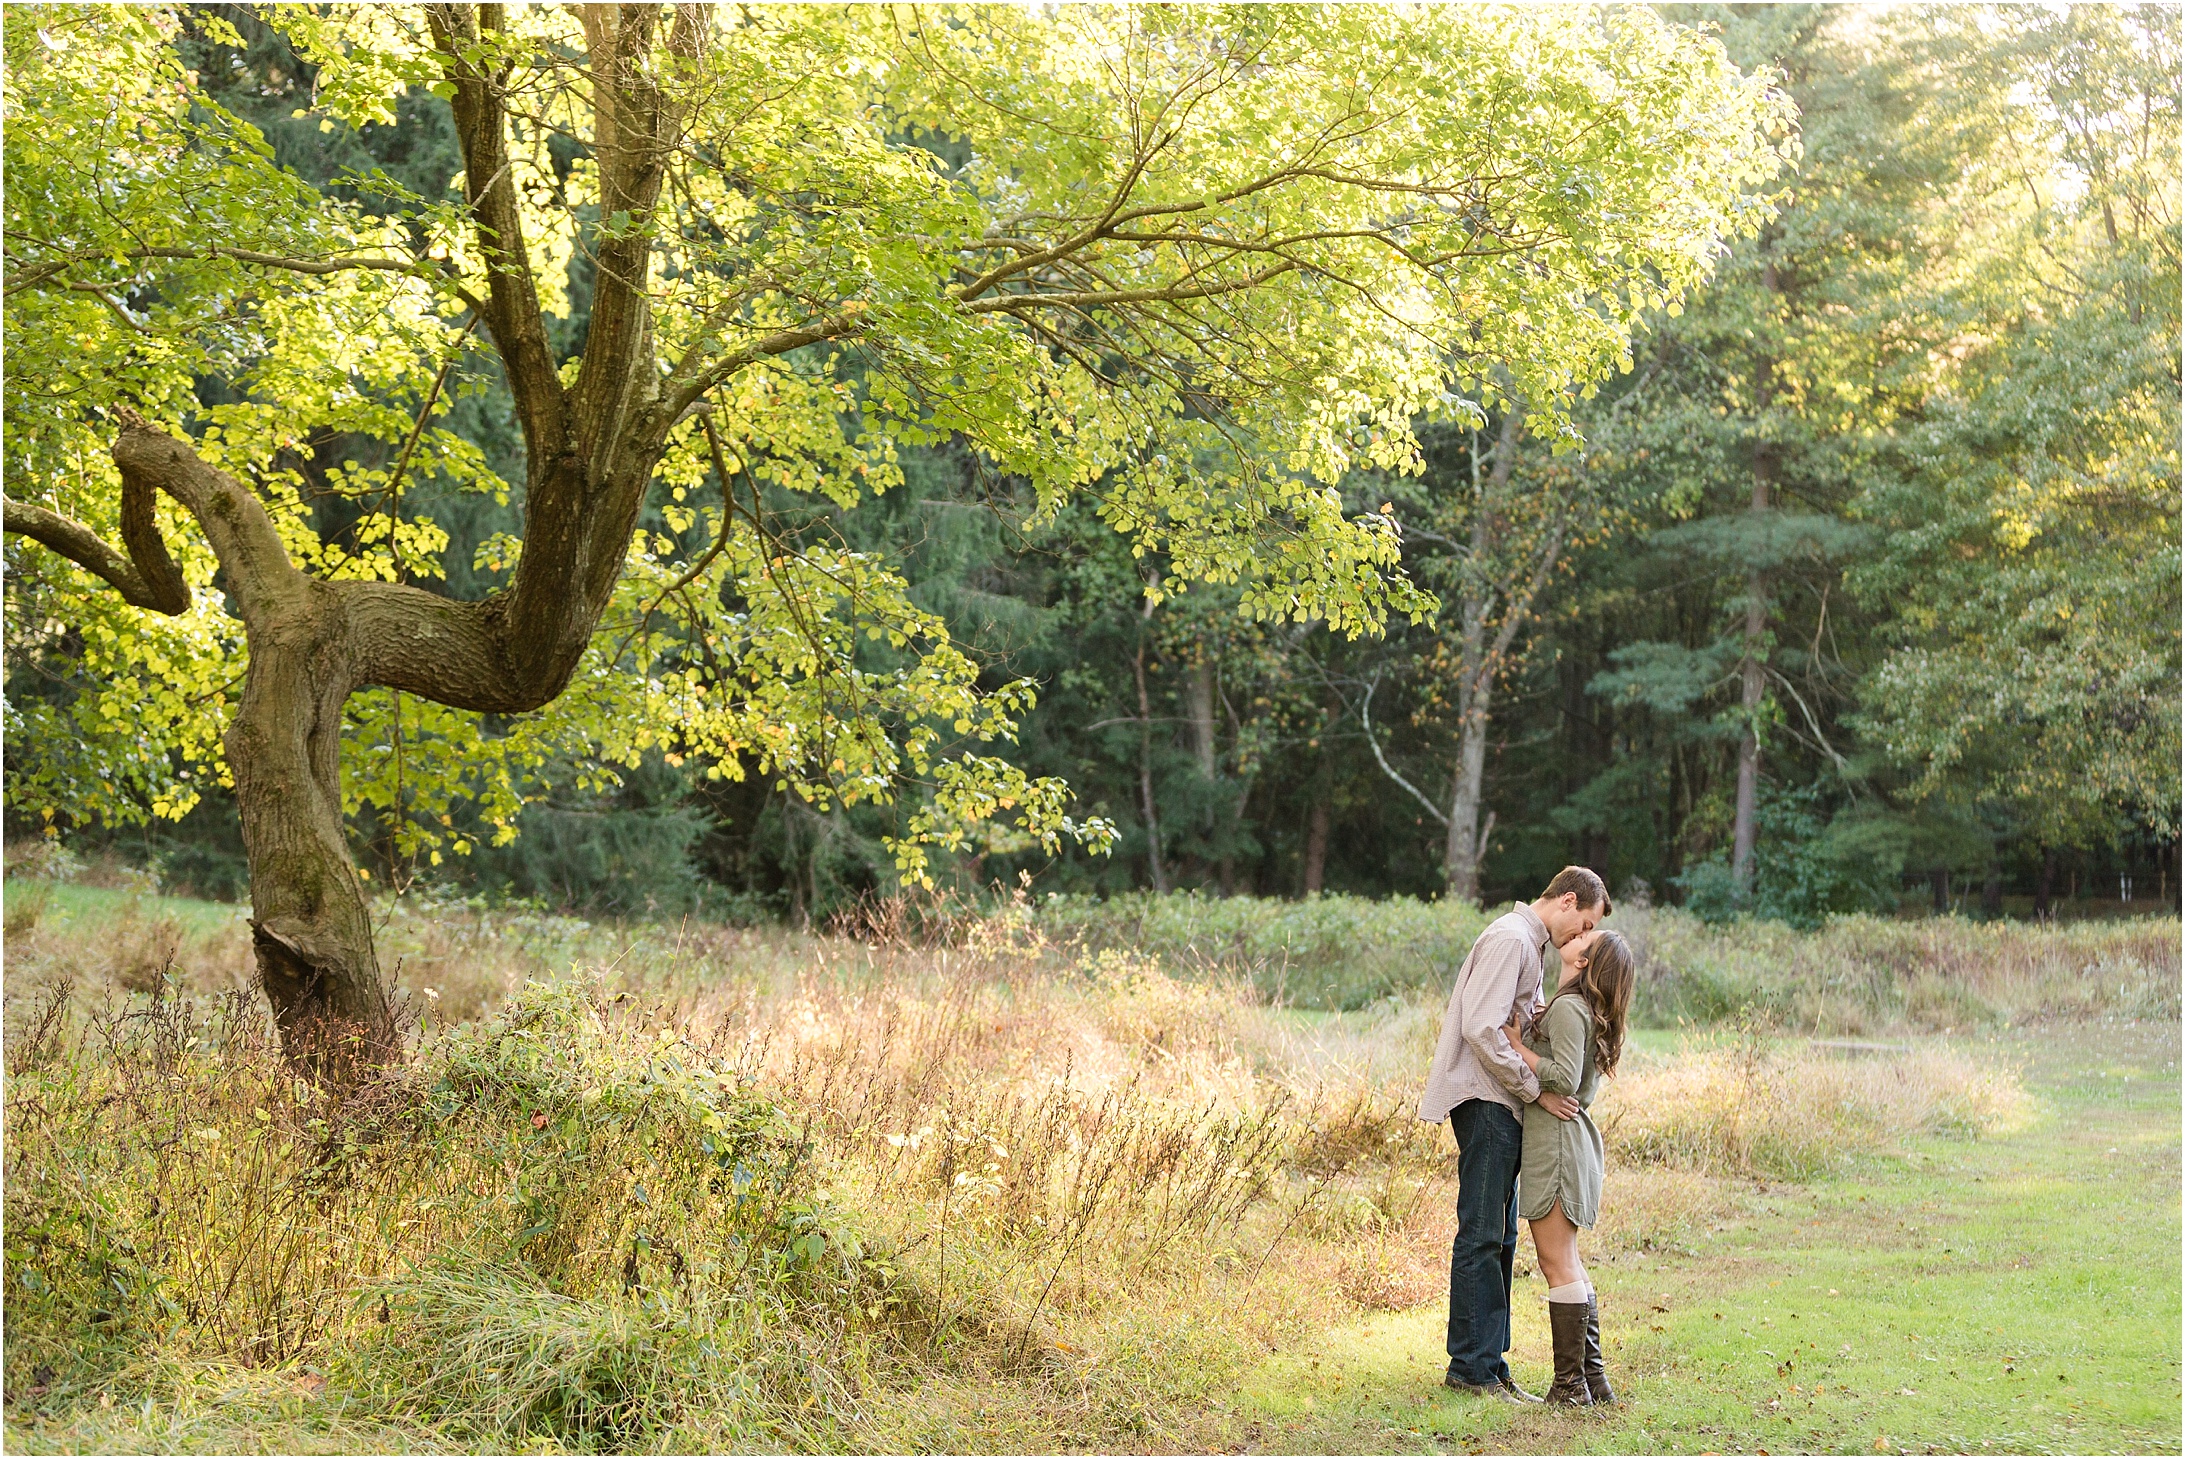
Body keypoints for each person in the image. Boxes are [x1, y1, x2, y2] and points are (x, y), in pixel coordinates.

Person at [1418, 866, 1609, 1401]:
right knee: (1480, 1233)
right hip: (1486, 1100)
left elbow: (1516, 1022)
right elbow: (1482, 1027)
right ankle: (1470, 1370)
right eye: (1585, 924)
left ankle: (1490, 1364)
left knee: (1499, 1236)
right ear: (1568, 900)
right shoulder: (1510, 938)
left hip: (1503, 1101)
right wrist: (1536, 1089)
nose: (1582, 938)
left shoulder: (1532, 945)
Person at [1503, 926, 1635, 1405]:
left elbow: (1562, 1077)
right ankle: (1592, 1382)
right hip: (1565, 1143)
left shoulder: (1568, 1009)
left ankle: (1569, 1389)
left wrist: (1519, 1049)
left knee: (1556, 1263)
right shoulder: (1574, 1009)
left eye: (1589, 937)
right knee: (1568, 1263)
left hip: (1558, 1147)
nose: (1580, 933)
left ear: (1584, 962)